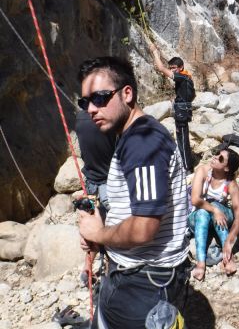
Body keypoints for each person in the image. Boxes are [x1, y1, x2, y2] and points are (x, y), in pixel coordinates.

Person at [77, 56, 189, 329]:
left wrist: (97, 234)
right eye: (85, 102)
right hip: (145, 279)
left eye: (100, 98)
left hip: (142, 285)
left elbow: (143, 229)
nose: (91, 109)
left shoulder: (142, 142)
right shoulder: (133, 135)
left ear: (127, 93)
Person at [188, 146, 239, 281]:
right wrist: (215, 210)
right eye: (217, 154)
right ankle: (201, 262)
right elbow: (195, 199)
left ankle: (227, 256)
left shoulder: (230, 183)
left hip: (219, 219)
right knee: (204, 211)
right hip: (200, 216)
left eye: (220, 158)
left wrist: (229, 241)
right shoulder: (203, 171)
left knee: (215, 204)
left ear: (226, 168)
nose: (214, 157)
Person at [75, 110, 116, 283]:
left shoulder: (80, 119)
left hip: (91, 181)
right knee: (114, 224)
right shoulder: (109, 118)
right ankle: (113, 266)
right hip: (110, 182)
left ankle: (87, 267)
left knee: (91, 223)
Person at [149, 43, 194, 173]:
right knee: (181, 136)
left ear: (181, 67)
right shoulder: (187, 77)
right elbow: (192, 94)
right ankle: (185, 164)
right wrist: (180, 99)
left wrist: (155, 52)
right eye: (172, 68)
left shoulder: (182, 76)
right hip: (183, 109)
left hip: (181, 111)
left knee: (182, 138)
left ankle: (187, 167)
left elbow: (161, 68)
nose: (172, 70)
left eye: (174, 68)